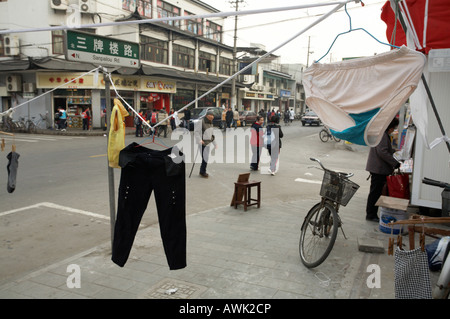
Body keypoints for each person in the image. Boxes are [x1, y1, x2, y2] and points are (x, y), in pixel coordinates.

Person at [365, 117, 400, 222]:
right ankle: (371, 214)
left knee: (376, 192)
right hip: (378, 169)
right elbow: (382, 152)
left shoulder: (382, 135)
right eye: (393, 128)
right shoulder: (382, 136)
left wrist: (394, 151)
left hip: (378, 168)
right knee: (375, 192)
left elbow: (384, 150)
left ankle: (372, 213)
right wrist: (395, 163)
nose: (393, 130)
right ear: (389, 127)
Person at [195, 110, 217, 178]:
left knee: (205, 158)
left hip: (208, 143)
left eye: (213, 116)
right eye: (211, 115)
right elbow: (196, 132)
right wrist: (199, 140)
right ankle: (202, 172)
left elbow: (211, 134)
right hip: (202, 143)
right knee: (205, 158)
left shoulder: (210, 122)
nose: (212, 117)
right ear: (207, 115)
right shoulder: (201, 121)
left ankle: (202, 171)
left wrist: (215, 143)